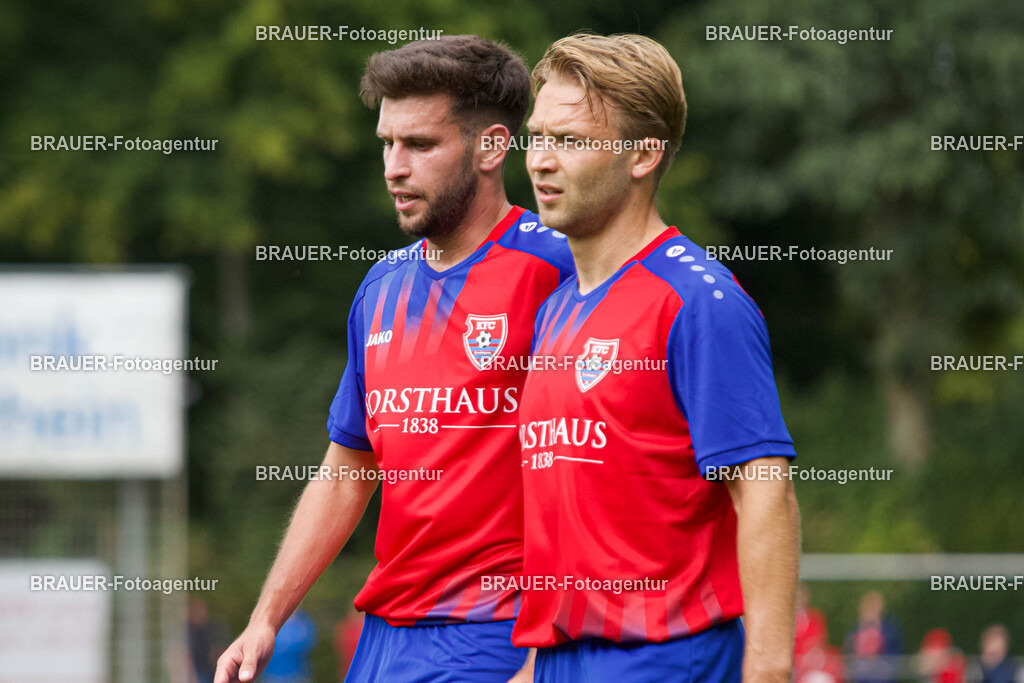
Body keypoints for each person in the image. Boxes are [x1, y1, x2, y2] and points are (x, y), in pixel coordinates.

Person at [215, 35, 574, 683]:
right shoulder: (381, 288)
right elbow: (350, 466)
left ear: (492, 146)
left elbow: (610, 466)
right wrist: (266, 616)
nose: (394, 167)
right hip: (384, 638)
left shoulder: (560, 271)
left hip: (500, 632)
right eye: (387, 143)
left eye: (421, 145)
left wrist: (553, 646)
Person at [512, 32, 801, 682]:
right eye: (538, 136)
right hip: (563, 660)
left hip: (667, 655)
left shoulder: (698, 302)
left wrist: (769, 669)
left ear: (644, 155)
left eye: (572, 140)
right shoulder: (556, 308)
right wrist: (537, 663)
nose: (541, 160)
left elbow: (764, 490)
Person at [844, 591, 904, 683]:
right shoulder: (856, 629)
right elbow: (849, 651)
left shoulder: (889, 629)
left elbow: (894, 652)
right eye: (869, 608)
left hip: (883, 667)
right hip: (861, 667)